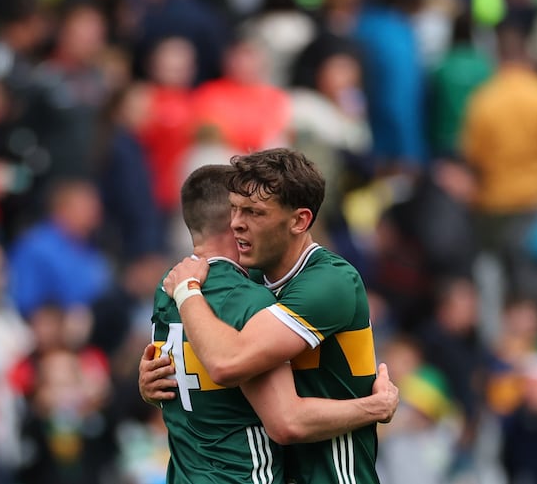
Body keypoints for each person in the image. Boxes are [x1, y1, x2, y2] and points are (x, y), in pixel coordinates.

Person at [144, 163, 397, 484]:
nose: (238, 223)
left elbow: (228, 364)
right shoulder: (232, 290)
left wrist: (187, 293)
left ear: (299, 220)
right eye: (235, 210)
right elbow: (278, 415)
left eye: (254, 213)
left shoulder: (329, 283)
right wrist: (376, 407)